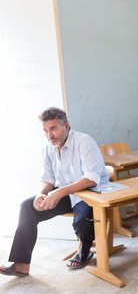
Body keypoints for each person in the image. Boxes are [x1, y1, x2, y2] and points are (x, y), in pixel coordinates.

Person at [0, 107, 110, 277]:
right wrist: (40, 194)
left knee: (82, 220)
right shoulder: (48, 149)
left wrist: (58, 193)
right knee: (27, 207)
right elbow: (47, 178)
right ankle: (21, 265)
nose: (49, 135)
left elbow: (91, 178)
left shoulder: (84, 141)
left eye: (53, 128)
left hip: (92, 192)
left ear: (66, 126)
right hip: (67, 193)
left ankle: (85, 251)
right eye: (45, 130)